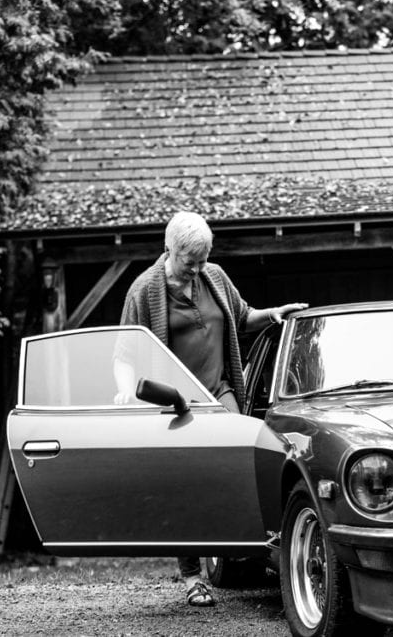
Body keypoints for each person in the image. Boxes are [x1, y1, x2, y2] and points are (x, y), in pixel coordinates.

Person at [116, 211, 307, 607]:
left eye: (204, 258)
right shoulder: (144, 290)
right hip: (176, 402)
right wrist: (124, 391)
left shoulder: (214, 276)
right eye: (191, 261)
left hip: (219, 390)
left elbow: (242, 317)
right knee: (185, 483)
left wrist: (272, 315)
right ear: (169, 249)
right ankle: (191, 576)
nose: (199, 267)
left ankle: (241, 547)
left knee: (238, 464)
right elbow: (124, 352)